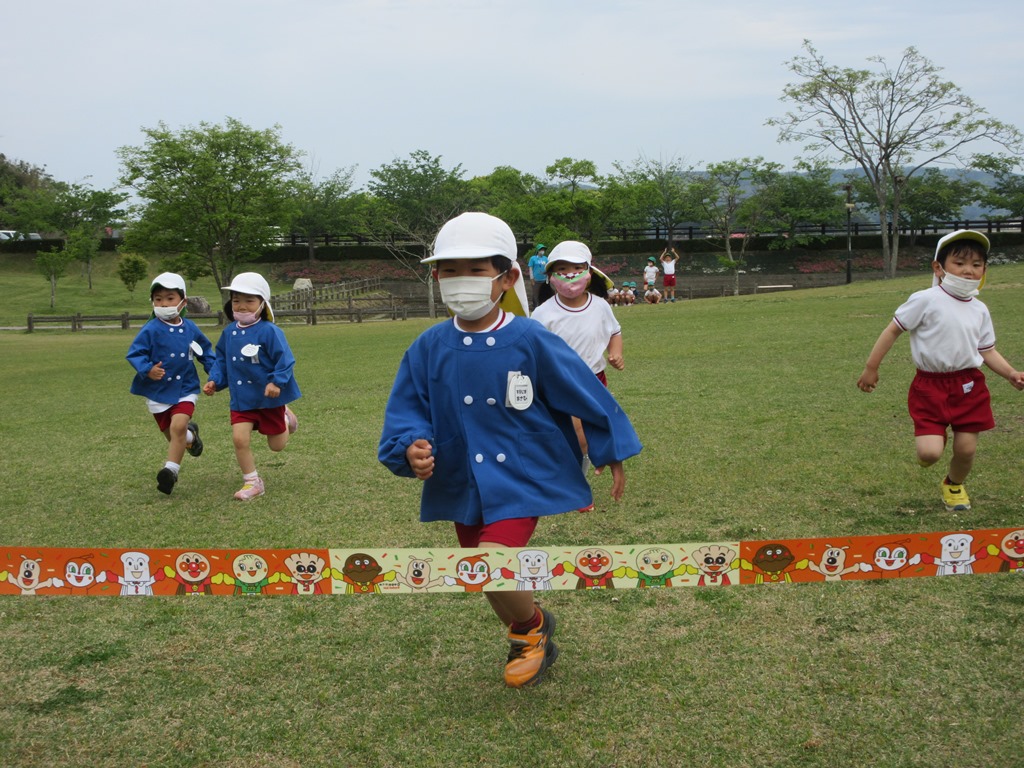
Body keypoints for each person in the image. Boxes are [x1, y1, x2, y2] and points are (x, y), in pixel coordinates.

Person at [378, 212, 642, 689]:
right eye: (450, 270)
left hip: (522, 477)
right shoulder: (427, 346)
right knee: (478, 570)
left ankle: (531, 632)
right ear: (436, 277)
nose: (462, 281)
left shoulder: (530, 338)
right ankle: (529, 625)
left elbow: (585, 392)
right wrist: (409, 447)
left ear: (508, 277)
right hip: (459, 478)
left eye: (476, 270)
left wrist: (611, 449)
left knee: (494, 562)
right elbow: (407, 409)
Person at [857, 230, 1024, 512]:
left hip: (969, 386)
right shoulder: (925, 299)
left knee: (966, 450)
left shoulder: (980, 309)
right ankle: (933, 445)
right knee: (929, 453)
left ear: (984, 269)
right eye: (959, 263)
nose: (968, 271)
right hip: (929, 387)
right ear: (939, 267)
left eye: (976, 264)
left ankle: (954, 484)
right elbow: (893, 330)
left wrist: (1010, 373)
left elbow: (987, 350)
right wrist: (871, 368)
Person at [531, 240, 625, 496]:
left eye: (576, 267)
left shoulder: (601, 306)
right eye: (561, 268)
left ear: (589, 273)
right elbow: (531, 347)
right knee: (568, 430)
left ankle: (575, 480)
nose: (569, 274)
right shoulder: (543, 313)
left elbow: (614, 332)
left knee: (585, 430)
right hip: (557, 381)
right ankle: (566, 479)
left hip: (594, 378)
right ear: (550, 277)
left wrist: (615, 354)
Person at [203, 272, 300, 501]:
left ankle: (285, 417)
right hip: (242, 399)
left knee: (277, 446)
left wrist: (277, 382)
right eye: (237, 300)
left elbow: (285, 359)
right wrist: (215, 381)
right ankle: (252, 482)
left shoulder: (270, 331)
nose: (242, 306)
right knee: (239, 439)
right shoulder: (228, 333)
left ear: (262, 304)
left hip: (268, 399)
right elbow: (222, 360)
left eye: (249, 300)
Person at [126, 273, 214, 495]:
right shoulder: (151, 329)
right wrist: (148, 369)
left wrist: (214, 374)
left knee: (177, 427)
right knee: (176, 436)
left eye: (169, 298)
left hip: (186, 389)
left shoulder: (191, 327)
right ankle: (192, 438)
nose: (163, 304)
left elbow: (206, 352)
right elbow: (135, 354)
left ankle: (170, 472)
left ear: (183, 301)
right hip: (158, 393)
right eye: (158, 299)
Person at [526, 244, 548, 308]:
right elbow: (530, 269)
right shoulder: (533, 258)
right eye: (541, 249)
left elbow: (547, 269)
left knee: (543, 294)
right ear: (538, 250)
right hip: (536, 280)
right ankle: (535, 307)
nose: (542, 251)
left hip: (544, 280)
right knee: (535, 295)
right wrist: (531, 278)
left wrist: (547, 279)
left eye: (543, 250)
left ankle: (542, 307)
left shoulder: (546, 259)